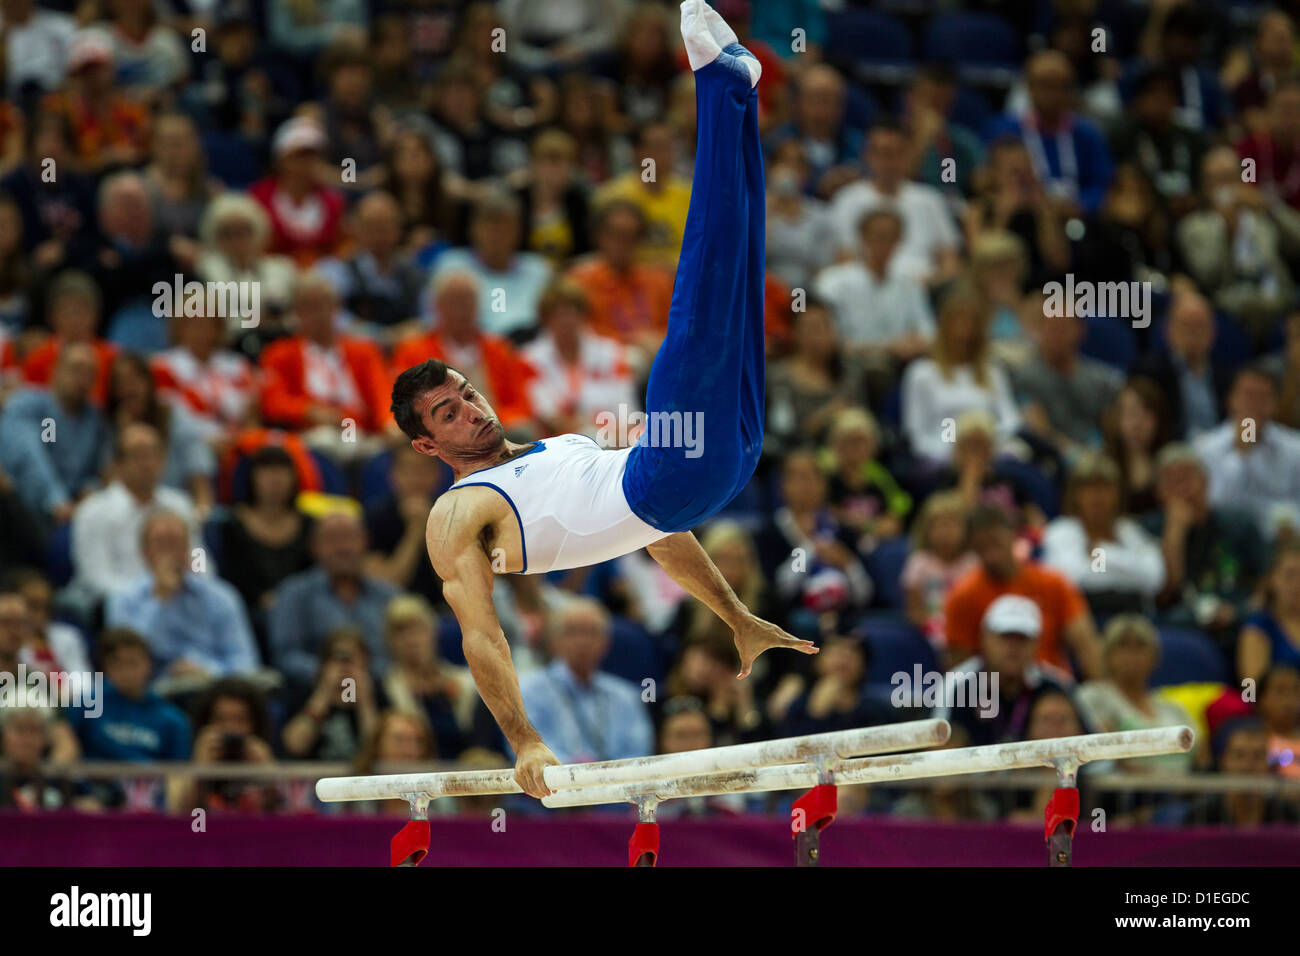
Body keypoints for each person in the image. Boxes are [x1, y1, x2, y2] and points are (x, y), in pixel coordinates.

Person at [388, 3, 815, 797]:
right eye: (448, 414)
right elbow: (481, 633)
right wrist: (525, 740)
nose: (472, 410)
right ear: (426, 447)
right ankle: (719, 82)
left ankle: (741, 93)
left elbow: (653, 533)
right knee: (698, 290)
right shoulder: (457, 514)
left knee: (739, 272)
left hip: (703, 478)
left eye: (467, 392)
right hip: (675, 471)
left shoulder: (549, 450)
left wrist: (735, 617)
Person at [945, 505, 1103, 678]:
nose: (991, 553)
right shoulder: (963, 596)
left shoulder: (1053, 583)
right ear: (972, 548)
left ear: (1013, 535)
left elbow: (1086, 646)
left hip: (1052, 688)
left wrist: (1100, 689)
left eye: (995, 541)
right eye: (982, 545)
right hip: (993, 689)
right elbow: (961, 666)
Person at [105, 509, 260, 681]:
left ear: (188, 549)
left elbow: (246, 661)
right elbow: (125, 663)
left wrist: (208, 671)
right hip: (150, 691)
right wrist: (159, 599)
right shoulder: (123, 598)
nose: (170, 552)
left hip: (212, 688)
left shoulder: (221, 596)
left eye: (176, 542)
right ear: (145, 552)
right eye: (161, 543)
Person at [517, 596, 654, 764]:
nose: (583, 641)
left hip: (618, 786)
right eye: (572, 632)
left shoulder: (625, 695)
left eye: (592, 632)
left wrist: (607, 779)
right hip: (555, 786)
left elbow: (638, 752)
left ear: (606, 643)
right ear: (553, 640)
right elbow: (529, 751)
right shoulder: (529, 691)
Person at [939, 594, 1076, 747]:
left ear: (1037, 643)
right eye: (1005, 637)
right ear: (985, 638)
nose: (1013, 647)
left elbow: (1090, 752)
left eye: (1022, 638)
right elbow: (936, 749)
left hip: (1039, 770)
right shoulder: (957, 684)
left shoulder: (1055, 686)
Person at [1040, 453, 1166, 618]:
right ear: (1075, 494)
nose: (1097, 495)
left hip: (1133, 616)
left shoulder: (1129, 531)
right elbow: (1072, 579)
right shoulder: (1060, 531)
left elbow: (1155, 578)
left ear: (1117, 493)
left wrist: (1103, 552)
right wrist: (1130, 573)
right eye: (1088, 487)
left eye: (1105, 487)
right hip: (1084, 620)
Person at [1075, 615, 1196, 774]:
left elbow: (1199, 757)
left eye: (1140, 647)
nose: (1131, 656)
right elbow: (1105, 756)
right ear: (1108, 655)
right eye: (1123, 646)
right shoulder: (1093, 696)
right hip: (1125, 794)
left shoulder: (1172, 707)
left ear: (1154, 657)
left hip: (1184, 790)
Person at [1194, 364, 1300, 541]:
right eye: (1249, 395)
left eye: (1263, 397)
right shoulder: (1206, 447)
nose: (1254, 405)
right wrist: (1242, 451)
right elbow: (1214, 503)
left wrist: (1291, 524)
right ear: (1231, 399)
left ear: (1275, 403)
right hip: (1226, 538)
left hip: (1278, 538)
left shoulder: (1295, 448)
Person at [72, 628, 191, 762]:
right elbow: (69, 748)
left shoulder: (173, 720)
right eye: (117, 664)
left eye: (133, 663)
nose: (126, 672)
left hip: (151, 780)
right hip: (94, 780)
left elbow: (178, 774)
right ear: (105, 667)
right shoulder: (87, 705)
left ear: (149, 664)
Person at [902, 491, 978, 655]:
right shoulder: (918, 563)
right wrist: (934, 626)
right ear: (926, 530)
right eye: (938, 525)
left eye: (951, 524)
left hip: (966, 634)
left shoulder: (974, 564)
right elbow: (914, 611)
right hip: (927, 637)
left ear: (966, 529)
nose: (945, 532)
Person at [1238, 542, 1300, 683]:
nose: (1297, 583)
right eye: (1289, 575)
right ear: (1272, 579)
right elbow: (1250, 689)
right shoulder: (1259, 626)